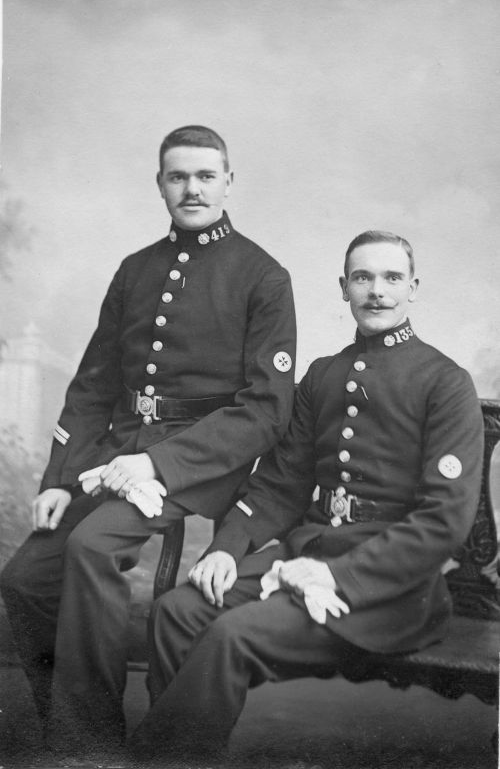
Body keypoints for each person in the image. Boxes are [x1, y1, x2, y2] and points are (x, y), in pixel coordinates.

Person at [130, 230, 484, 766]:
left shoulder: (444, 382)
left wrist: (337, 577)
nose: (377, 291)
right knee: (179, 610)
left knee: (233, 634)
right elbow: (281, 483)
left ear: (414, 288)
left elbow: (443, 522)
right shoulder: (324, 374)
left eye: (391, 278)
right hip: (307, 554)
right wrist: (229, 546)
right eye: (363, 277)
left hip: (389, 590)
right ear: (343, 288)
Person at [0, 125, 296, 759]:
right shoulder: (136, 269)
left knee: (92, 544)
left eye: (205, 176)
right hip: (119, 449)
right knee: (25, 578)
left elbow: (267, 411)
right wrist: (57, 477)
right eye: (177, 176)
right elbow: (92, 386)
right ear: (160, 184)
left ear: (228, 182)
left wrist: (157, 462)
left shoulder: (263, 276)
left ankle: (89, 743)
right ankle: (73, 718)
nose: (191, 189)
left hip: (200, 461)